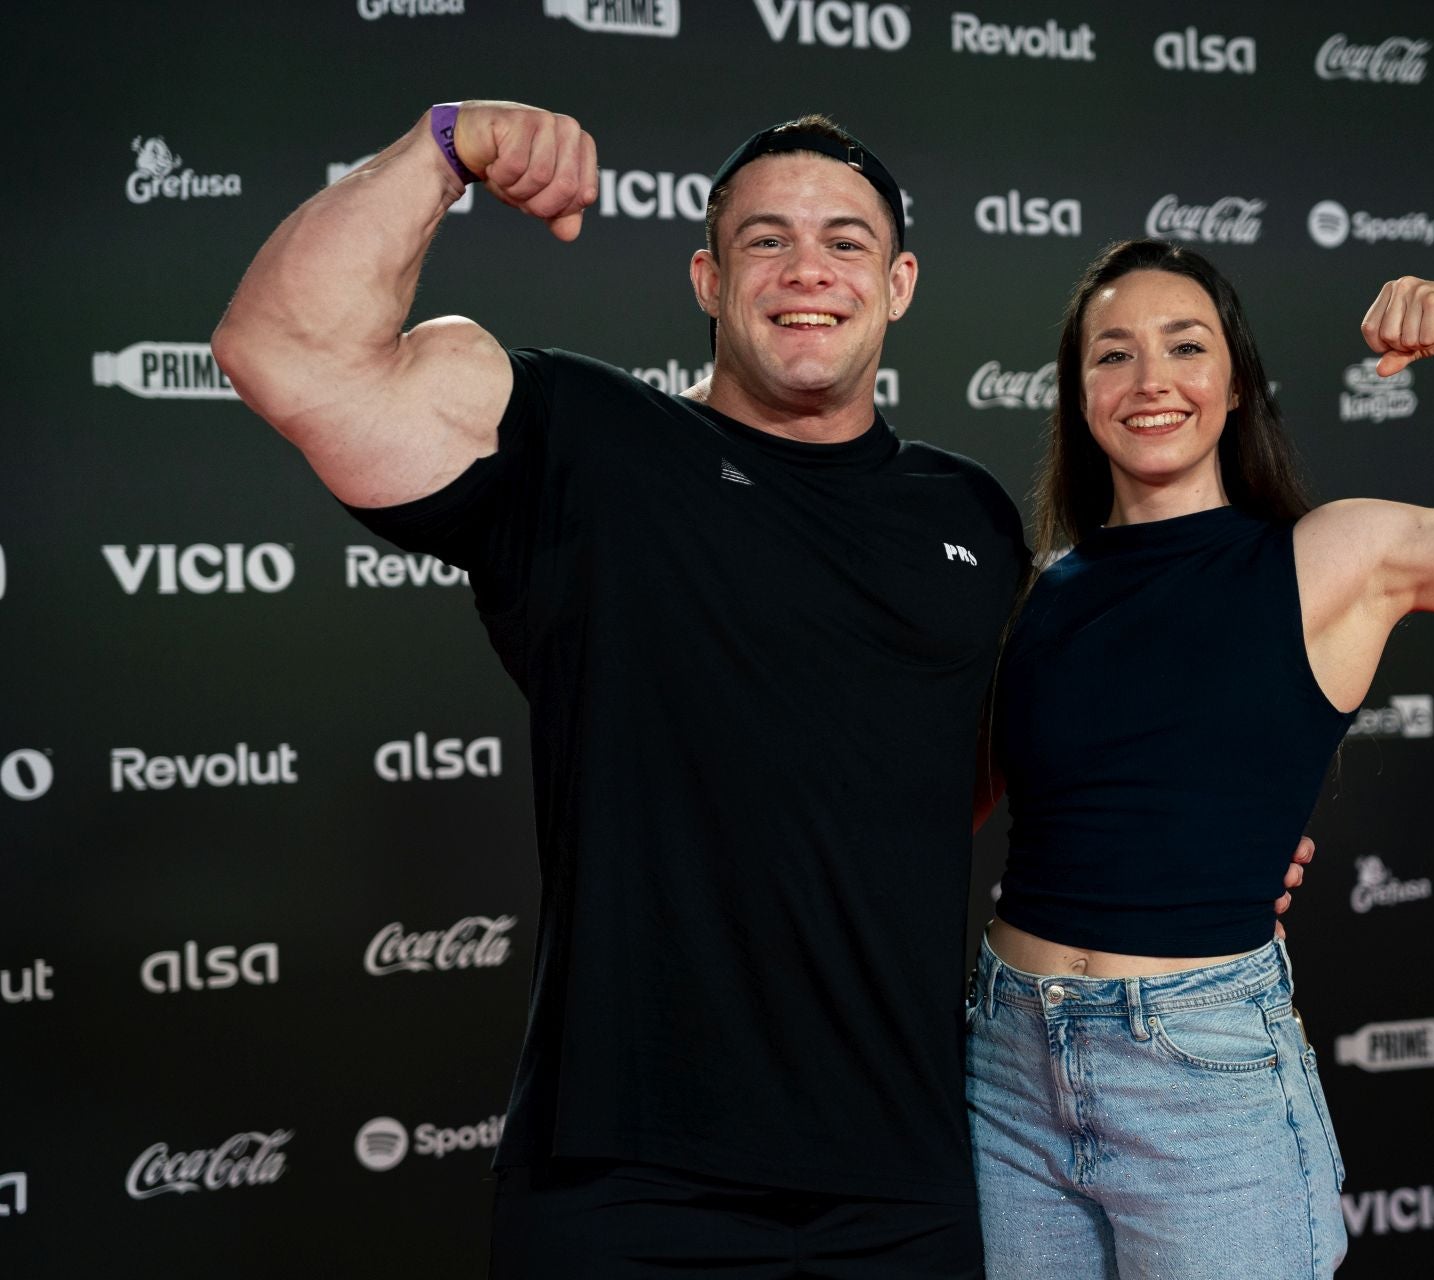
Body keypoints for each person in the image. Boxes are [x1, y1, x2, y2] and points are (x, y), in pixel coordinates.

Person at [212, 103, 1313, 1277]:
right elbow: (287, 350)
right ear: (706, 275)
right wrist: (441, 148)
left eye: (845, 242)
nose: (807, 271)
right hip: (625, 1181)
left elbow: (987, 767)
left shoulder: (971, 519)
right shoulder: (582, 444)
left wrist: (1193, 845)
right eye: (765, 239)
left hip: (906, 1183)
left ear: (897, 284)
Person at [966, 239, 1434, 1278]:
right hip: (1009, 1069)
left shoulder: (1332, 556)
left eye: (1185, 345)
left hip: (1201, 1077)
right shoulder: (1038, 591)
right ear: (1079, 394)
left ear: (1237, 381)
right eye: (1112, 354)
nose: (1152, 379)